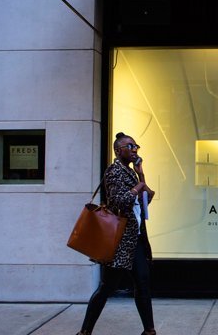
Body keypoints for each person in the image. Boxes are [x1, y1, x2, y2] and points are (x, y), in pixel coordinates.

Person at [77, 132, 157, 335]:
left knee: (143, 283)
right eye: (129, 146)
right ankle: (85, 331)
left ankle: (149, 331)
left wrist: (141, 176)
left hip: (135, 239)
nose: (134, 150)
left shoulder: (130, 172)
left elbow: (145, 199)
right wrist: (138, 186)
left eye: (136, 146)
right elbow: (119, 201)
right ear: (117, 150)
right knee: (107, 287)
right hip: (119, 242)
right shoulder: (114, 171)